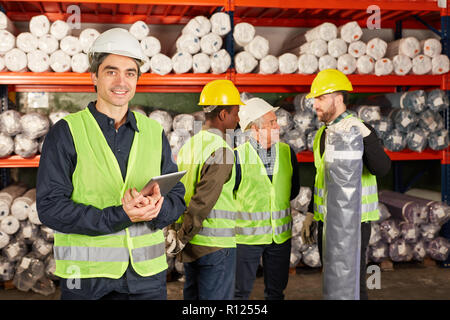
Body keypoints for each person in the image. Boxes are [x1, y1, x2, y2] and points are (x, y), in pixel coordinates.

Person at [36, 28, 186, 300]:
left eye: (130, 73)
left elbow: (177, 194)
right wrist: (120, 215)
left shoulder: (154, 132)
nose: (122, 81)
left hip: (147, 278)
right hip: (87, 279)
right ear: (94, 75)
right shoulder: (67, 132)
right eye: (111, 71)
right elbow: (50, 208)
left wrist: (158, 209)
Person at [301, 69, 391, 300]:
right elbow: (321, 177)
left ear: (338, 98)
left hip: (353, 222)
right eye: (314, 100)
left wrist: (367, 135)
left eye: (320, 98)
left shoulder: (357, 131)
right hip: (327, 220)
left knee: (353, 283)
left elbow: (382, 168)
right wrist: (312, 213)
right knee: (332, 278)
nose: (315, 105)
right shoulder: (323, 133)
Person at [169, 79, 243, 300]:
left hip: (192, 244)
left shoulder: (189, 145)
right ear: (223, 115)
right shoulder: (222, 149)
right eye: (235, 113)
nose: (238, 119)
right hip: (215, 245)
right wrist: (183, 235)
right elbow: (203, 200)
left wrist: (177, 232)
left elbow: (177, 190)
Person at [233, 97, 300, 300]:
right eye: (271, 123)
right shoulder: (236, 157)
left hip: (279, 238)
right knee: (239, 293)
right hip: (247, 239)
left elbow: (293, 190)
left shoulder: (288, 153)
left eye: (275, 121)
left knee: (276, 292)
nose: (277, 125)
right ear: (254, 129)